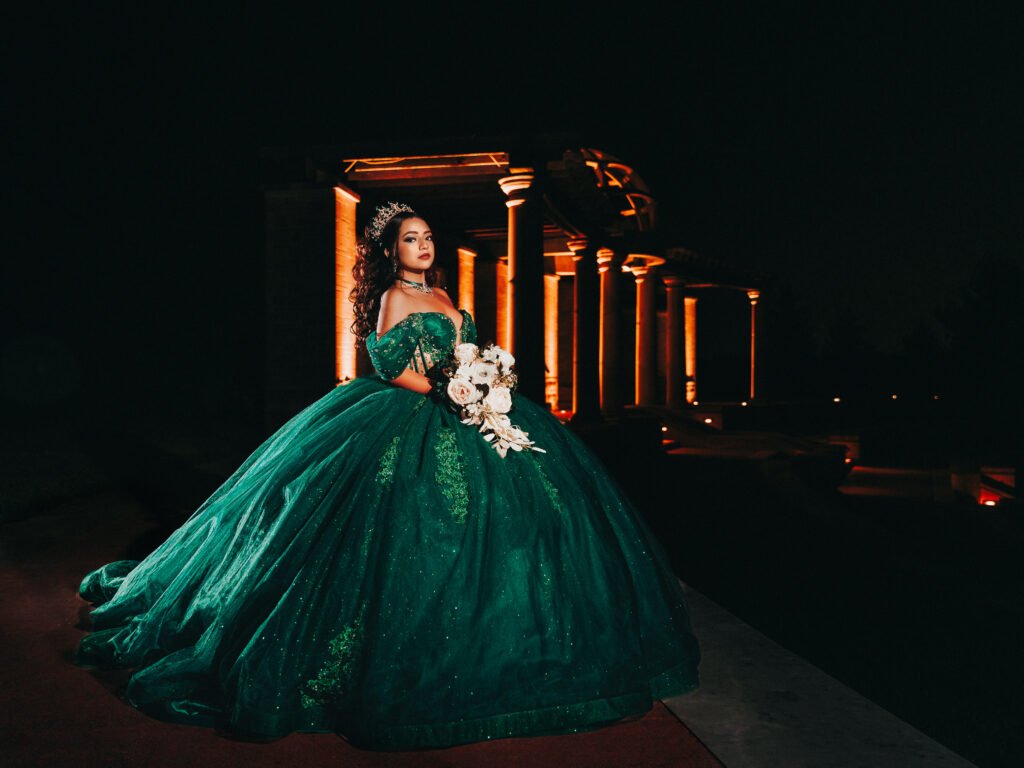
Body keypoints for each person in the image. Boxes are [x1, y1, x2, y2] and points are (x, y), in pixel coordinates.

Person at [75, 201, 701, 750]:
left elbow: (468, 349)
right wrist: (453, 392)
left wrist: (484, 379)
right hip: (414, 410)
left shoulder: (446, 297)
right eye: (411, 239)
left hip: (470, 405)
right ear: (392, 250)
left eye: (428, 238)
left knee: (529, 519)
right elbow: (386, 365)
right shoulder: (394, 297)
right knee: (409, 525)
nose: (423, 247)